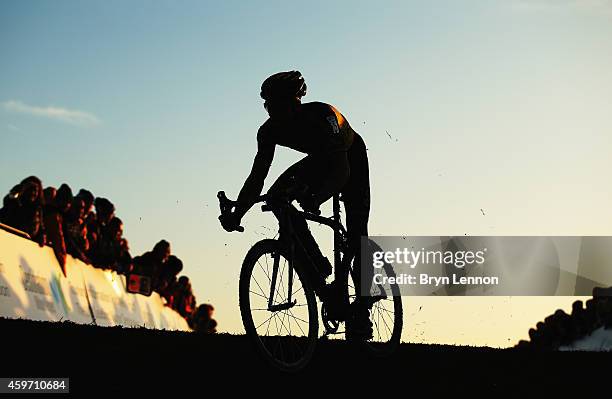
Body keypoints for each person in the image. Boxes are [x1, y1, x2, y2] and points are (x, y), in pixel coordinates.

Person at [218, 71, 372, 340]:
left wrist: (318, 197)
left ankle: (362, 310)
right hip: (320, 158)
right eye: (268, 105)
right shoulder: (268, 131)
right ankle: (316, 263)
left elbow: (340, 171)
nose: (272, 111)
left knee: (357, 232)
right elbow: (257, 178)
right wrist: (238, 213)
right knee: (276, 196)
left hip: (348, 157)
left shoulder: (323, 116)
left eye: (278, 105)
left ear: (296, 102)